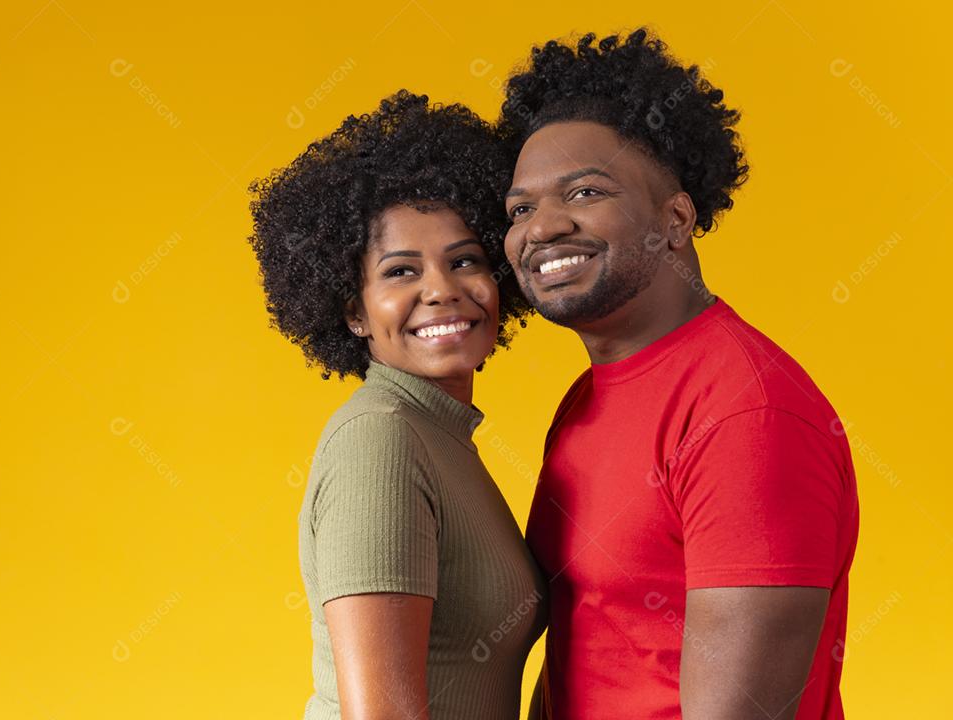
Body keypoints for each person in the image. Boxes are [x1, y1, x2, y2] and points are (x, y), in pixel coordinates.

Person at [497, 29, 859, 719]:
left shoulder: (746, 412)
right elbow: (586, 651)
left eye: (584, 192)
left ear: (675, 218)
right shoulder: (586, 400)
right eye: (521, 208)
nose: (541, 228)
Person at [249, 90, 547, 720]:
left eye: (464, 260)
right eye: (400, 271)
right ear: (353, 311)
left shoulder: (439, 435)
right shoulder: (380, 440)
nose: (441, 291)